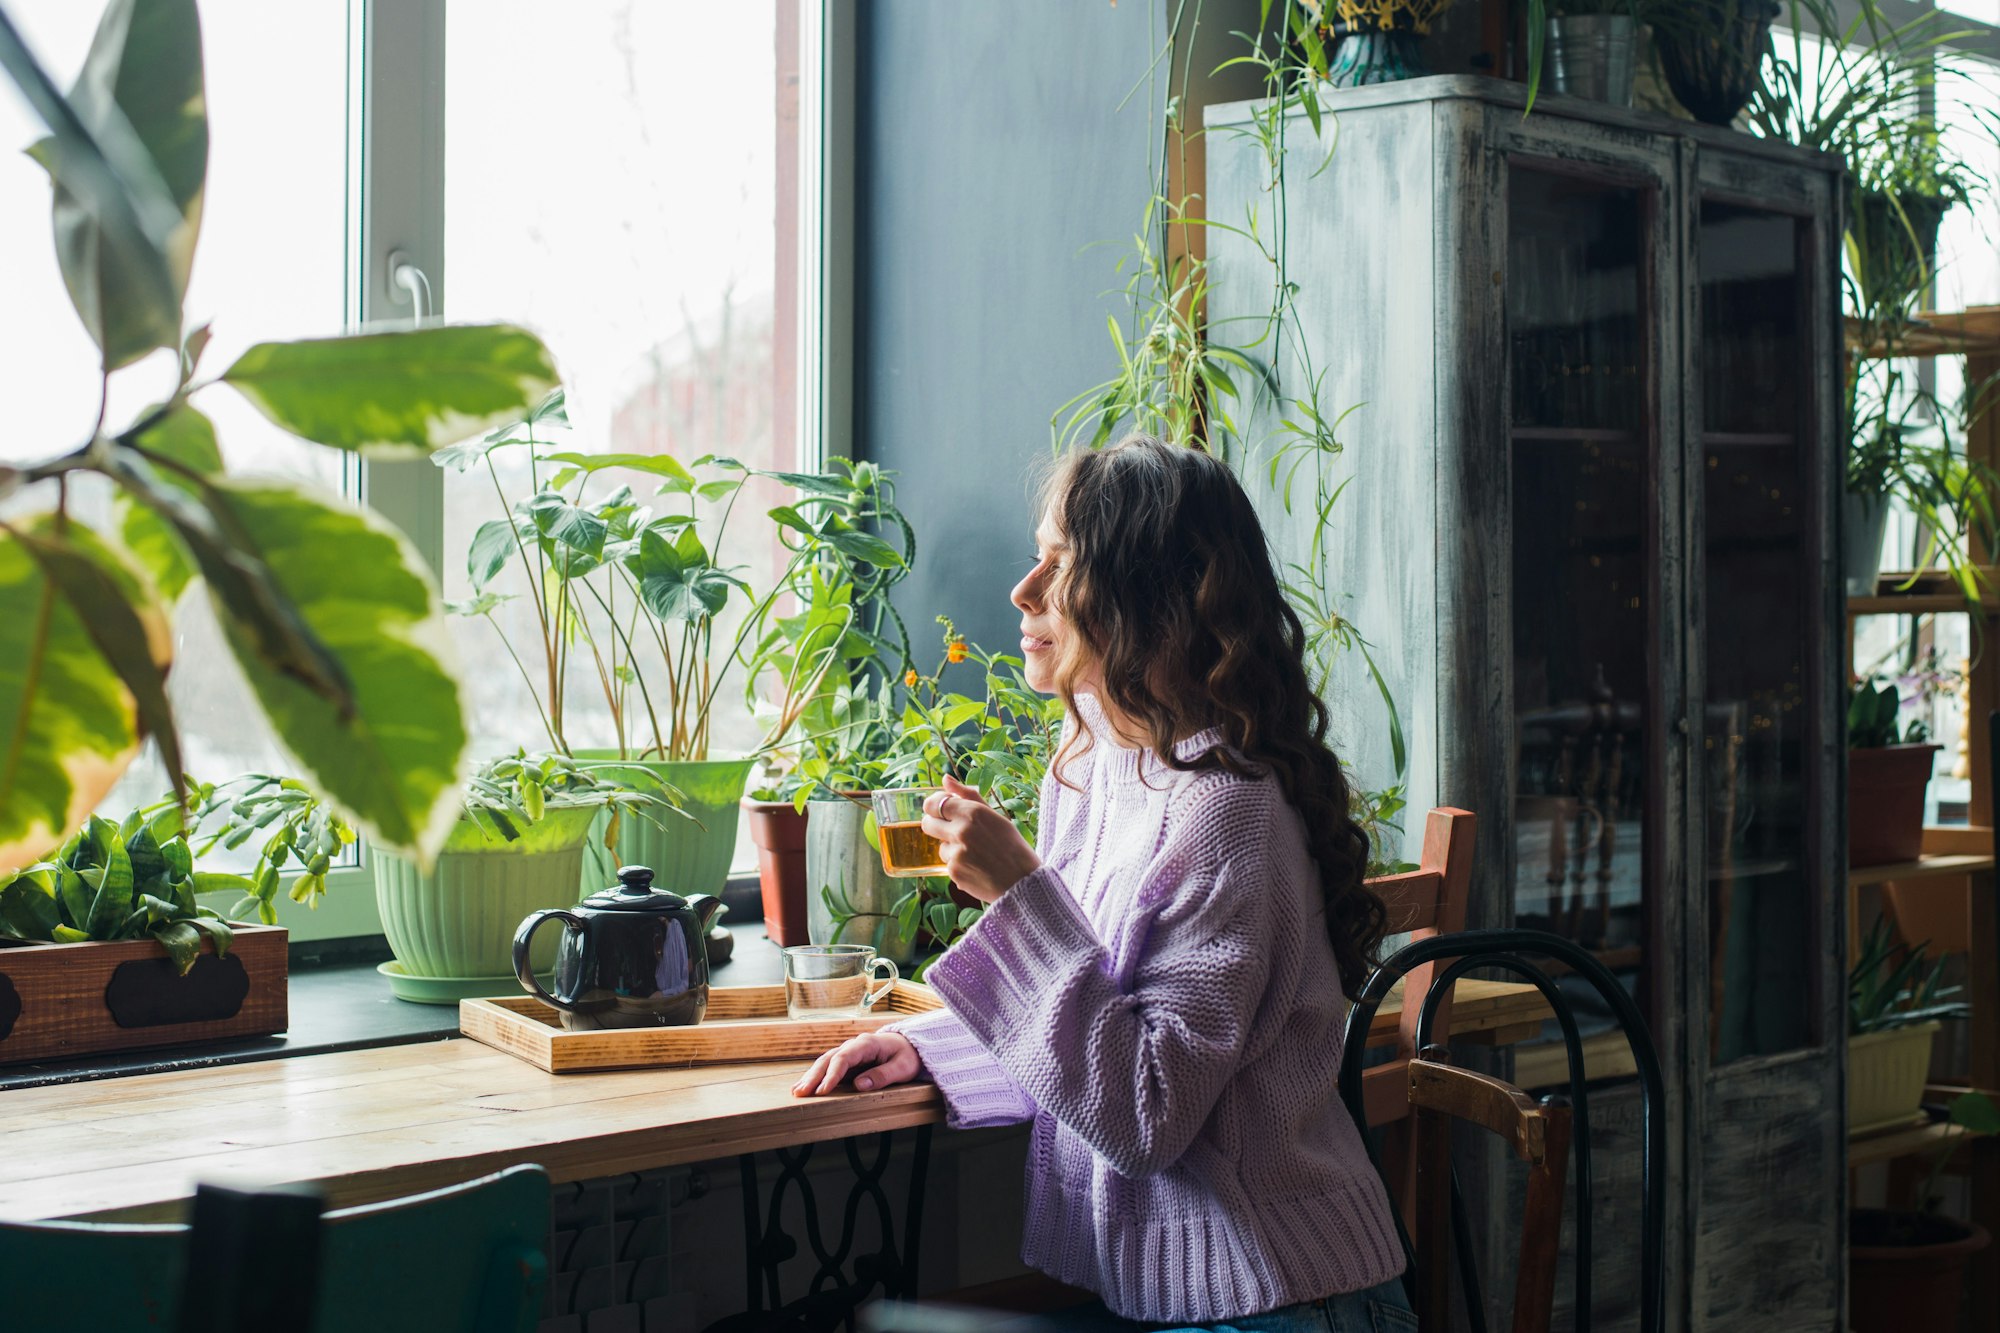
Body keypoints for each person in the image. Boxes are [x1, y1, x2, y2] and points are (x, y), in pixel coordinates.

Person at [793, 436, 1410, 1332]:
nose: (1024, 591)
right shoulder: (1089, 770)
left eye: (1063, 562)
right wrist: (936, 1050)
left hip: (1286, 1301)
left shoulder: (1224, 811)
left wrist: (1017, 894)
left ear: (1151, 600)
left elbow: (1147, 1113)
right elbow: (1104, 1025)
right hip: (1188, 1302)